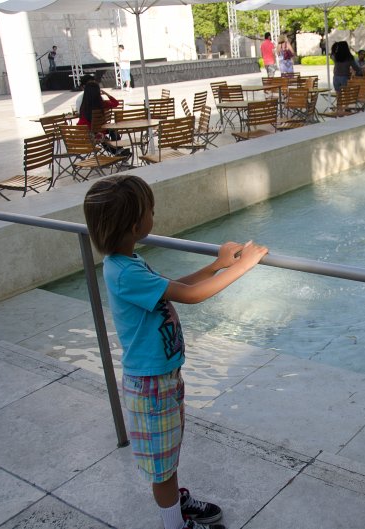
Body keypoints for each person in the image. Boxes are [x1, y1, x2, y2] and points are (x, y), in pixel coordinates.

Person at [83, 175, 269, 529]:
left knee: (166, 453)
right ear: (135, 223)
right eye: (151, 210)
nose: (155, 214)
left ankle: (175, 503)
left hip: (161, 379)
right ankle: (174, 524)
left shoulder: (128, 262)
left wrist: (219, 265)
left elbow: (177, 287)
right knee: (161, 464)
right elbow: (193, 296)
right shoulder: (123, 272)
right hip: (151, 385)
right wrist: (244, 267)